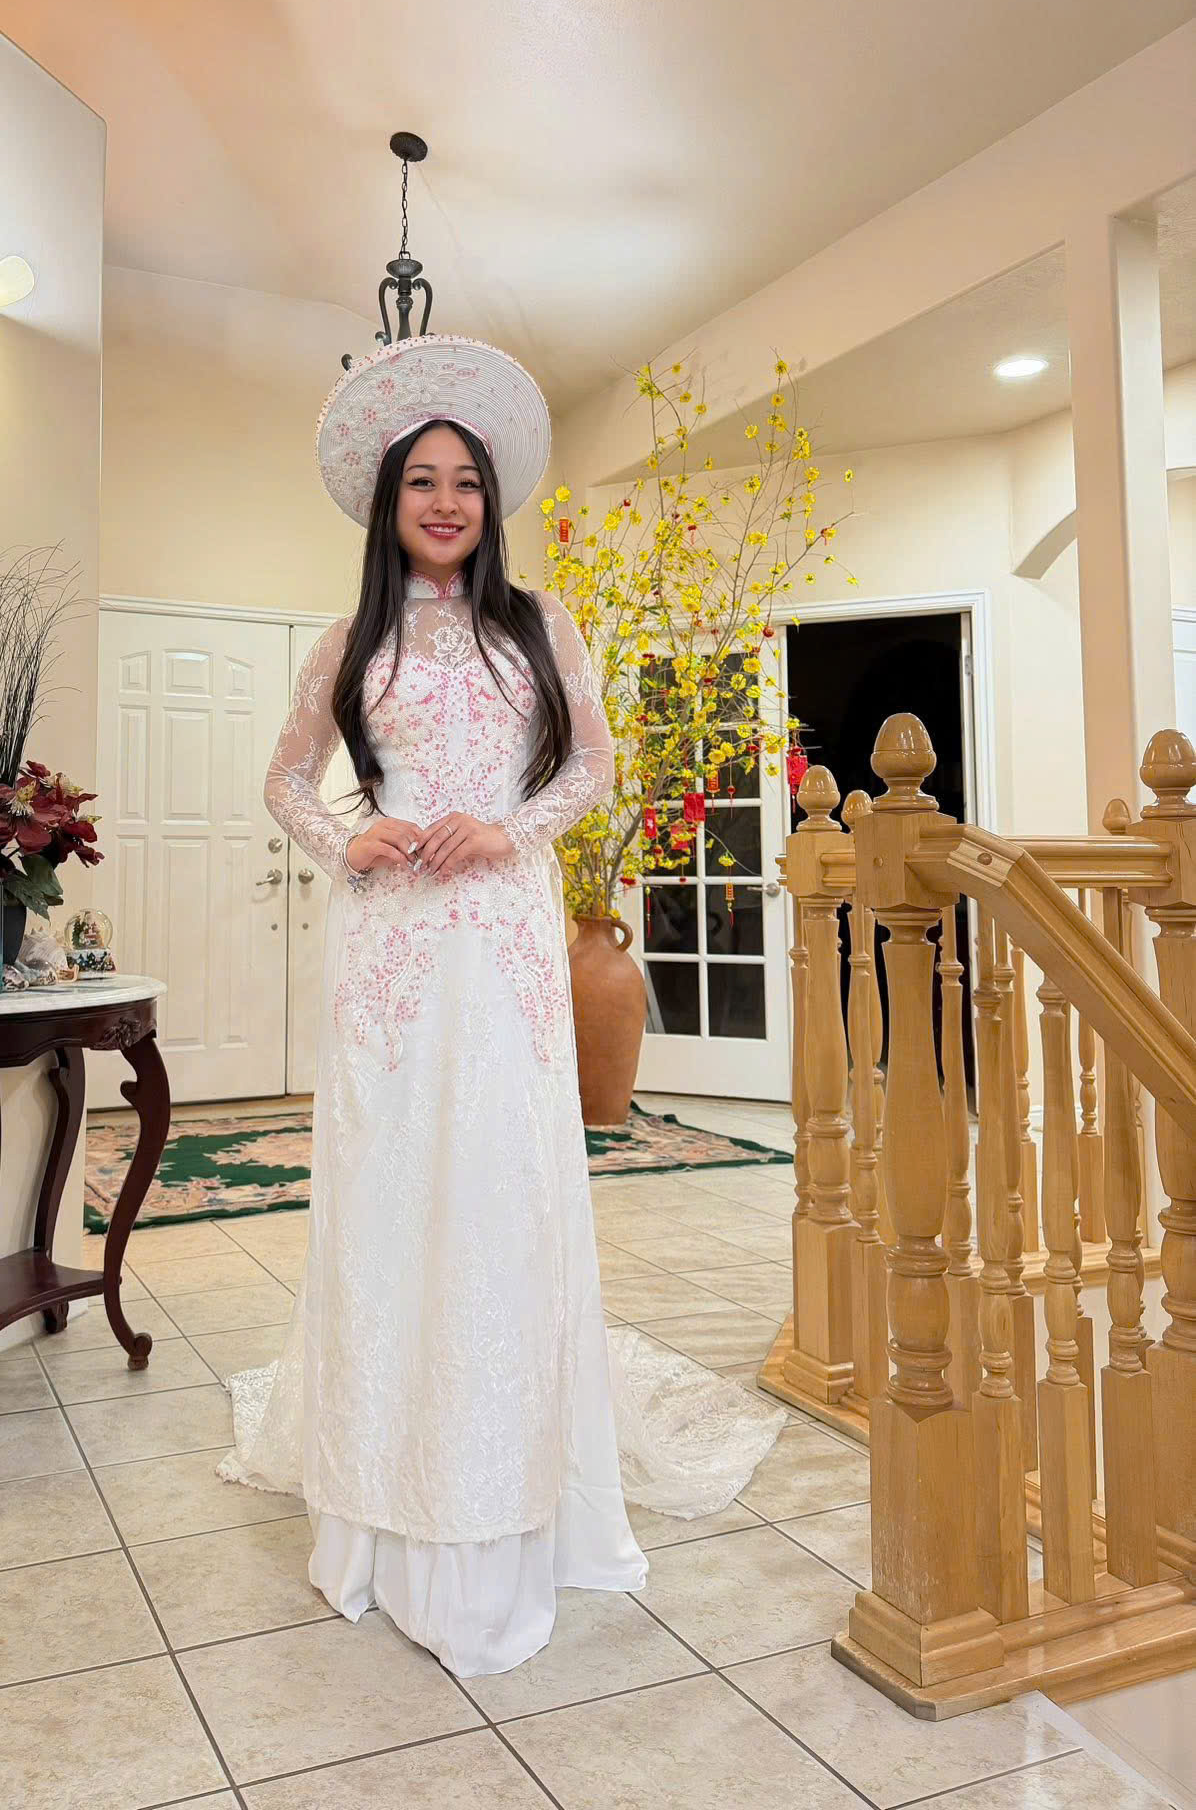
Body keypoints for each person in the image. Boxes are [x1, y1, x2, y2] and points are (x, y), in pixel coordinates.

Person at [217, 334, 783, 1677]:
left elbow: (595, 764)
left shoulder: (541, 626)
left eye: (465, 481)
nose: (446, 501)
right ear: (388, 501)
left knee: (501, 1190)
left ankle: (504, 1486)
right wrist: (347, 836)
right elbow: (286, 780)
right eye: (422, 481)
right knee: (392, 1188)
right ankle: (382, 1489)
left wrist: (507, 827)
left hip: (506, 938)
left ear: (491, 500)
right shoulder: (349, 639)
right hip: (391, 951)